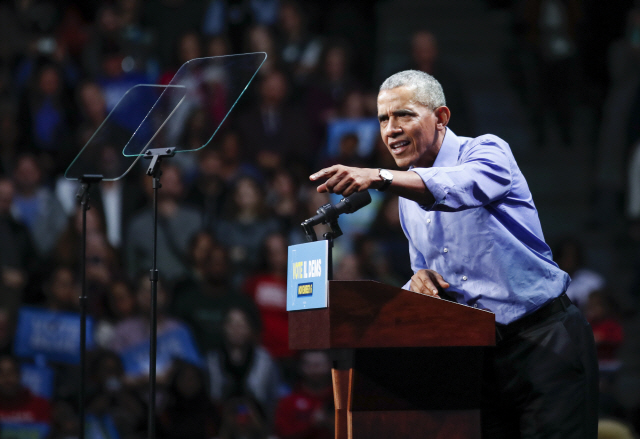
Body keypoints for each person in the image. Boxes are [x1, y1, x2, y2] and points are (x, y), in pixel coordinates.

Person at [309, 69, 598, 439]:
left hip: (545, 342)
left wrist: (380, 176)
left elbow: (460, 186)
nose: (391, 129)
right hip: (477, 358)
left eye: (404, 115)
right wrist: (420, 280)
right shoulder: (407, 202)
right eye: (383, 119)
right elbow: (425, 273)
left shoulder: (486, 151)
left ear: (441, 118)